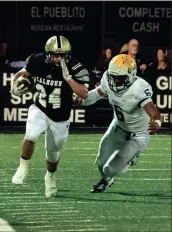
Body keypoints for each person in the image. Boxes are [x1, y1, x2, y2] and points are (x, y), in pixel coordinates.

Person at [10, 35, 90, 197]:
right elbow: (22, 72)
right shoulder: (37, 60)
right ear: (47, 53)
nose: (59, 58)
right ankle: (23, 167)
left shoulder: (75, 67)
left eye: (63, 55)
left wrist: (69, 79)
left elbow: (84, 93)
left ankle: (50, 176)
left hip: (61, 114)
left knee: (52, 152)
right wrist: (14, 86)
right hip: (40, 106)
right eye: (55, 54)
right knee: (31, 134)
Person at [75, 54, 161, 193]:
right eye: (113, 76)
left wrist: (156, 123)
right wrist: (82, 100)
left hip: (138, 135)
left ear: (131, 75)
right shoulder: (108, 80)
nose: (115, 80)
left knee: (109, 169)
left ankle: (132, 156)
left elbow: (153, 111)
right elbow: (96, 94)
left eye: (119, 78)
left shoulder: (139, 88)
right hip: (118, 126)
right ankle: (107, 181)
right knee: (100, 162)